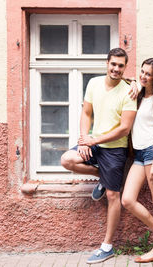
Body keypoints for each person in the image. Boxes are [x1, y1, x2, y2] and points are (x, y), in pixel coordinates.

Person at [60, 48, 137, 264]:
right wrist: (85, 138)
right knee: (67, 159)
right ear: (107, 63)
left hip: (115, 149)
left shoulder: (129, 91)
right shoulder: (93, 83)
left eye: (121, 65)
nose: (116, 69)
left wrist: (94, 140)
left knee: (114, 196)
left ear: (124, 67)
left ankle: (107, 246)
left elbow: (124, 129)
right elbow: (86, 113)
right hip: (94, 143)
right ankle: (103, 178)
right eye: (113, 64)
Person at [121, 58, 153, 263]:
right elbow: (121, 77)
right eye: (141, 72)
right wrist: (134, 81)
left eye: (148, 74)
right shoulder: (141, 96)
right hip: (139, 154)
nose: (143, 76)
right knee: (127, 199)